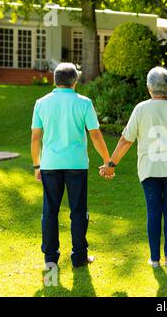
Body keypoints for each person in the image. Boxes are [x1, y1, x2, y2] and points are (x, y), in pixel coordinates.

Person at [99, 66, 167, 268]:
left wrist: (111, 164)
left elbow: (126, 140)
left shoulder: (141, 109)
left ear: (148, 87)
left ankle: (154, 260)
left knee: (153, 211)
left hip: (149, 170)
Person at [31, 63, 112, 268]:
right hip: (76, 164)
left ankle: (50, 258)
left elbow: (35, 139)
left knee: (50, 211)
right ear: (75, 82)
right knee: (78, 210)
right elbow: (95, 134)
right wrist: (107, 161)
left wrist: (36, 166)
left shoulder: (41, 103)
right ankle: (79, 256)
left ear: (54, 80)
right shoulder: (84, 103)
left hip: (50, 164)